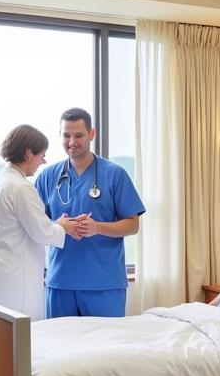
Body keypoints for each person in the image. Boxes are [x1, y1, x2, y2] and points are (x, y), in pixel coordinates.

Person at [34, 107, 145, 318]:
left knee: (106, 349)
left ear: (91, 134)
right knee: (59, 348)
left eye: (78, 135)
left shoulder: (115, 174)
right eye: (66, 135)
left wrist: (97, 228)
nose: (71, 142)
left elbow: (133, 224)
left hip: (104, 284)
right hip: (61, 282)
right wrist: (59, 225)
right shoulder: (48, 177)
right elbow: (36, 225)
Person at [0, 124, 81, 321]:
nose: (43, 161)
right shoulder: (20, 187)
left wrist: (56, 225)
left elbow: (26, 225)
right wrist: (65, 226)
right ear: (28, 154)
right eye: (41, 155)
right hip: (17, 280)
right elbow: (42, 232)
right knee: (22, 339)